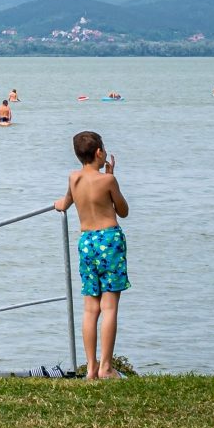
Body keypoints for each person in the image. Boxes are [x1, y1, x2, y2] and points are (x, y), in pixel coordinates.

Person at [53, 130, 130, 381]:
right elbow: (123, 210)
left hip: (86, 243)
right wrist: (111, 177)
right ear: (99, 153)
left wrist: (58, 204)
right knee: (109, 307)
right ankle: (107, 368)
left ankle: (90, 368)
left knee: (90, 309)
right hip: (109, 240)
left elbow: (64, 203)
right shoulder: (107, 182)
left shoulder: (73, 178)